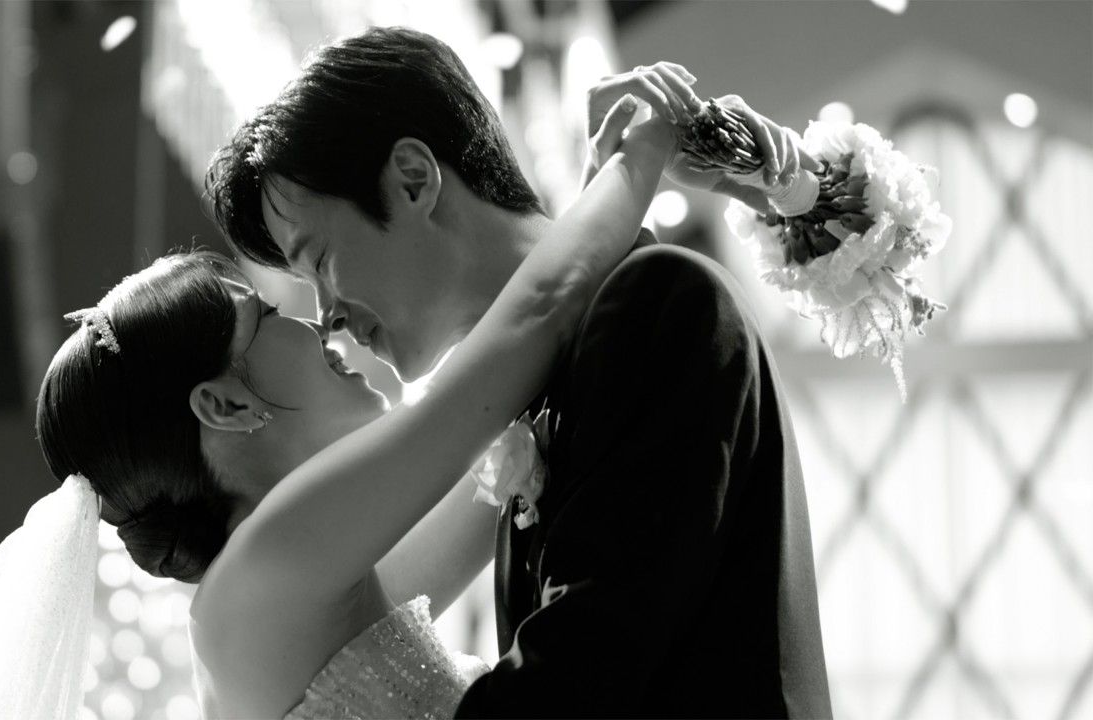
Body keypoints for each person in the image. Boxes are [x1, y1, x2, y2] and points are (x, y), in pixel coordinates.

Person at [0, 53, 705, 720]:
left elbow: (498, 445)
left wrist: (582, 225)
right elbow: (533, 319)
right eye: (266, 315)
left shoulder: (278, 595)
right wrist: (638, 157)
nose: (319, 324)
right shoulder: (268, 568)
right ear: (225, 403)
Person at [206, 26, 832, 718]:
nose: (327, 318)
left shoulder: (658, 300)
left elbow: (577, 680)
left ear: (413, 180)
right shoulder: (534, 397)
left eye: (320, 261)